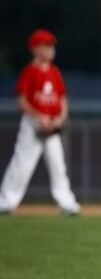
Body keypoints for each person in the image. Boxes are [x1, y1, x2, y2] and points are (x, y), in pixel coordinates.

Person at [0, 29, 80, 216]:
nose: (51, 49)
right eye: (46, 45)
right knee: (22, 164)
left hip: (51, 126)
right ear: (35, 49)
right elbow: (21, 101)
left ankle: (67, 204)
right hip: (33, 125)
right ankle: (5, 202)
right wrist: (39, 117)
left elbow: (61, 99)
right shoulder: (30, 72)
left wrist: (60, 118)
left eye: (52, 46)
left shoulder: (54, 72)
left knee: (58, 166)